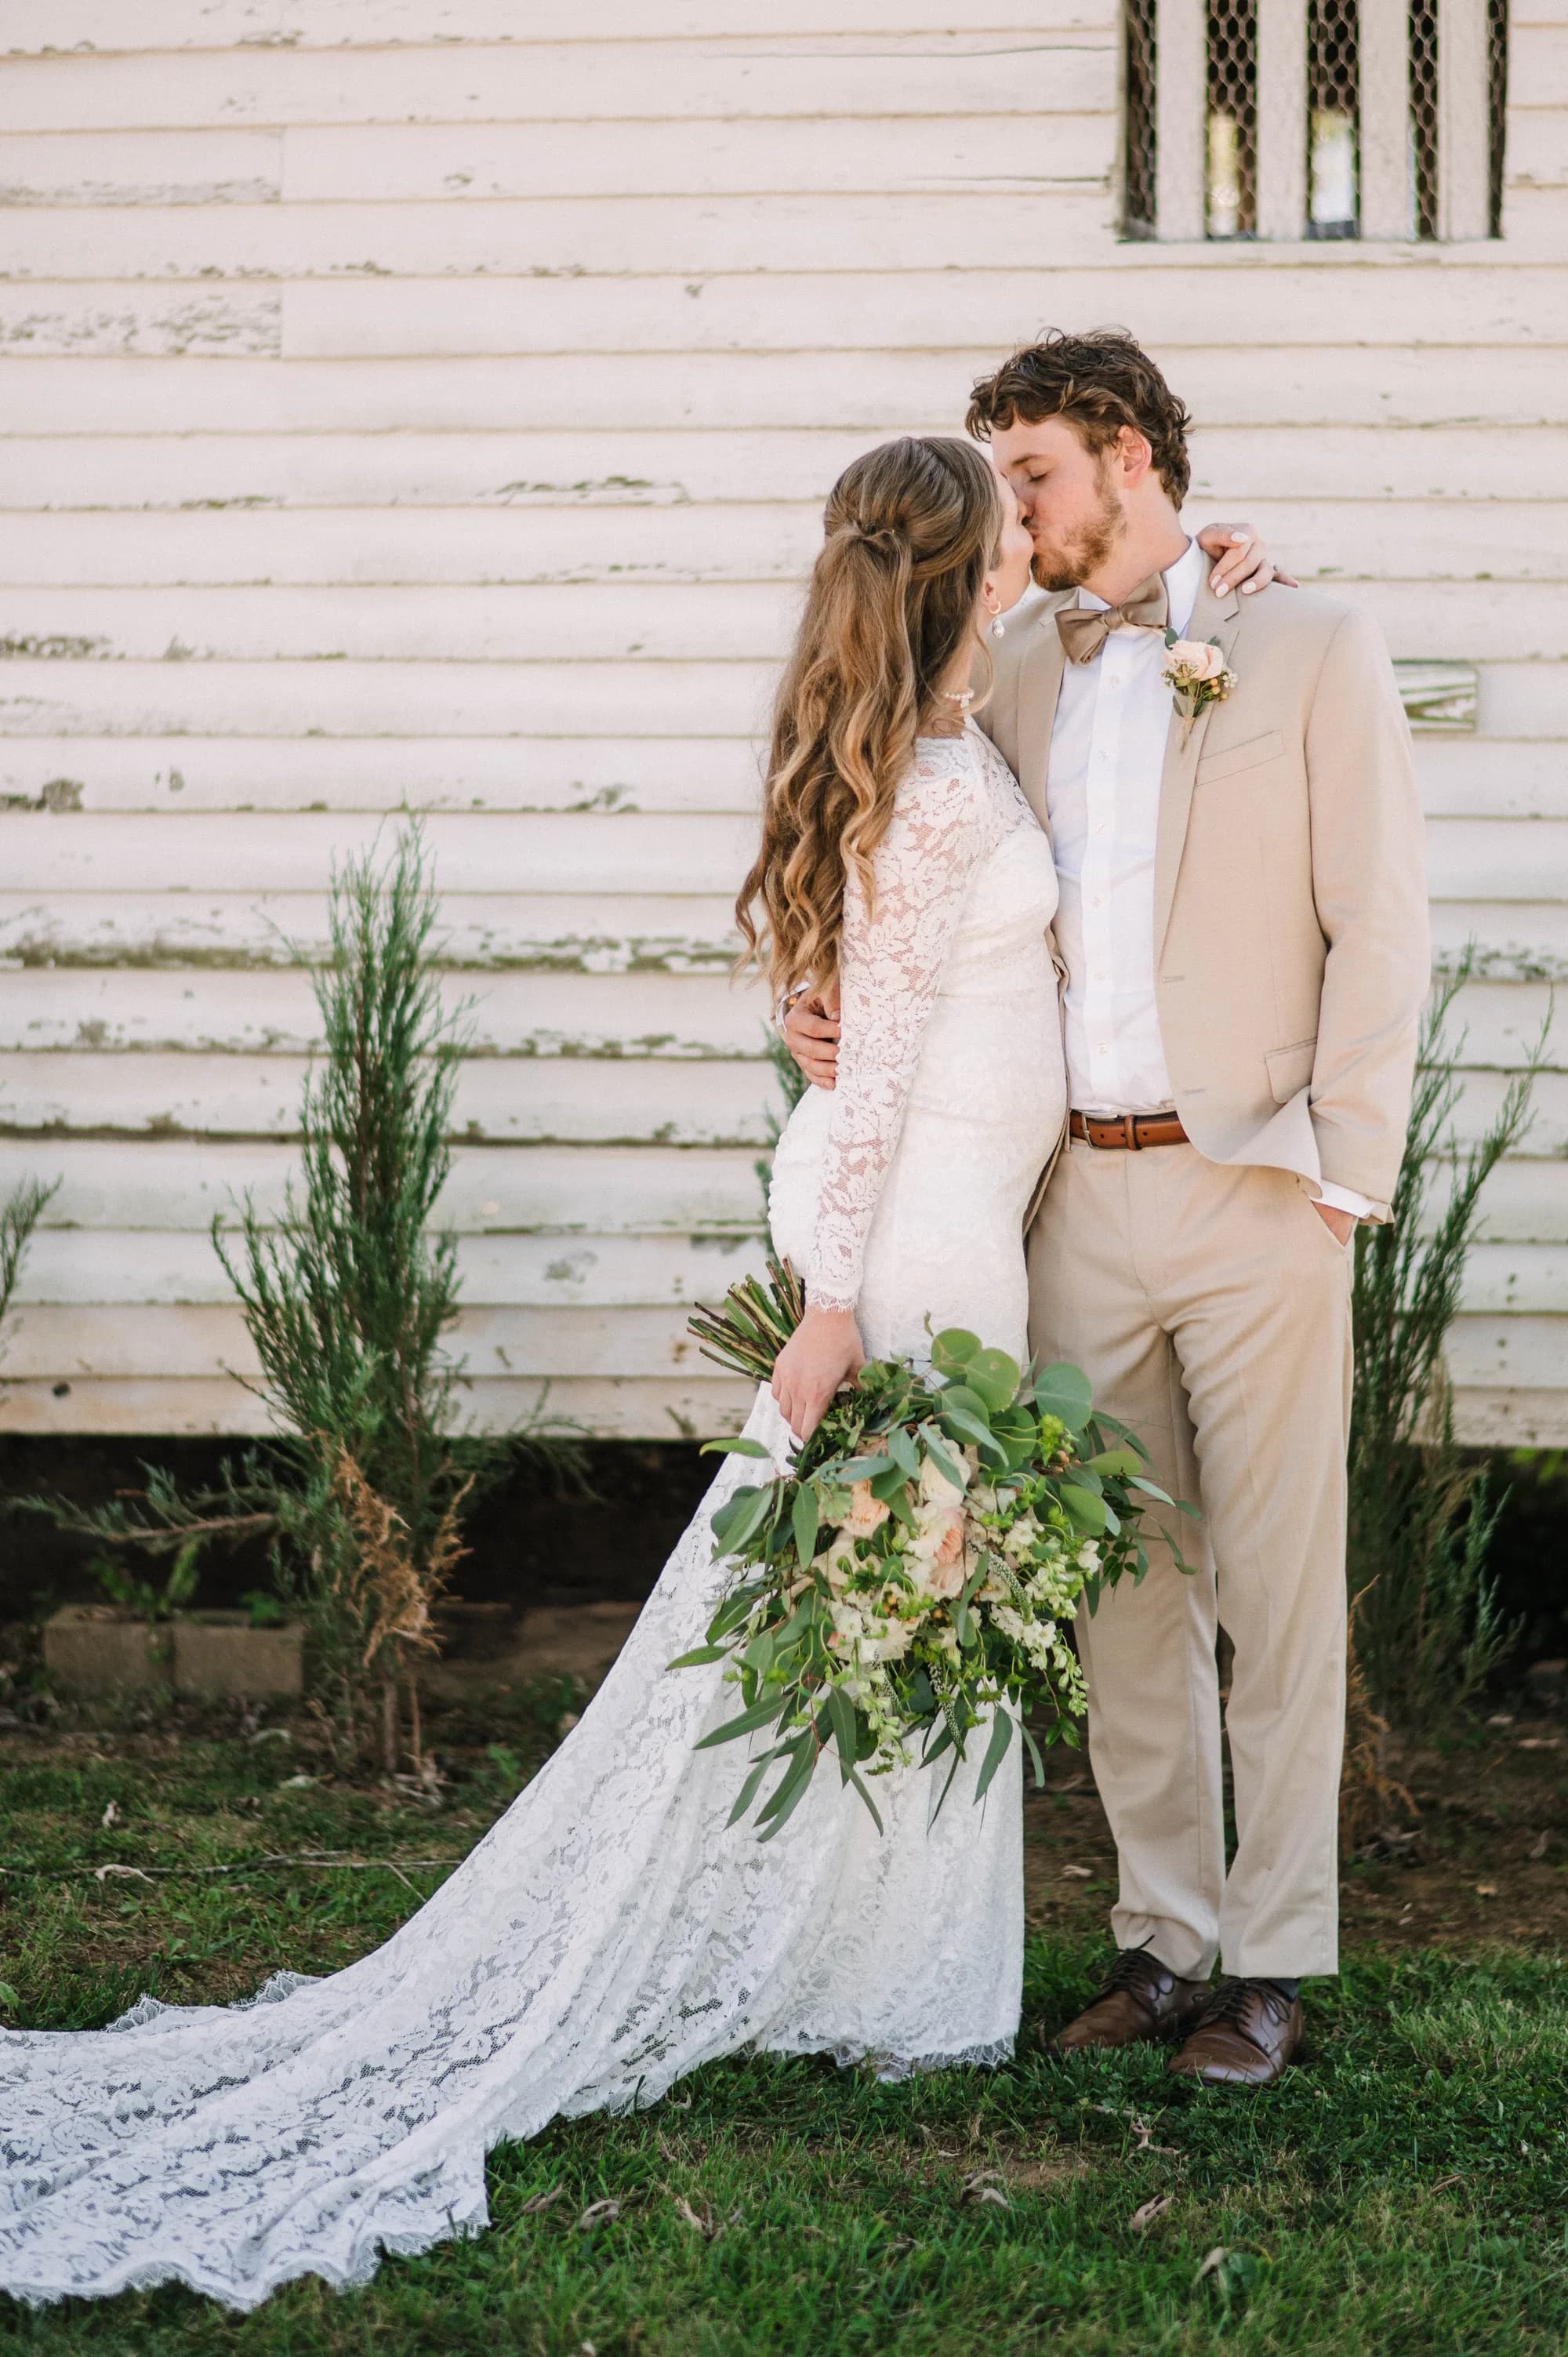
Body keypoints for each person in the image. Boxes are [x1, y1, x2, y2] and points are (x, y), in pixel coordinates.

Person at [786, 329, 1430, 2091]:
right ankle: (1164, 1943)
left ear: (1131, 456)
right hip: (1069, 1200)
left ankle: (1276, 1963)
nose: (1014, 515)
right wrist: (810, 999)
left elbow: (1379, 926)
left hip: (1257, 1191)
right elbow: (878, 834)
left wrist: (1341, 1176)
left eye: (1037, 478)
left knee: (1281, 1596)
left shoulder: (1302, 640)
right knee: (1124, 1592)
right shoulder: (1009, 670)